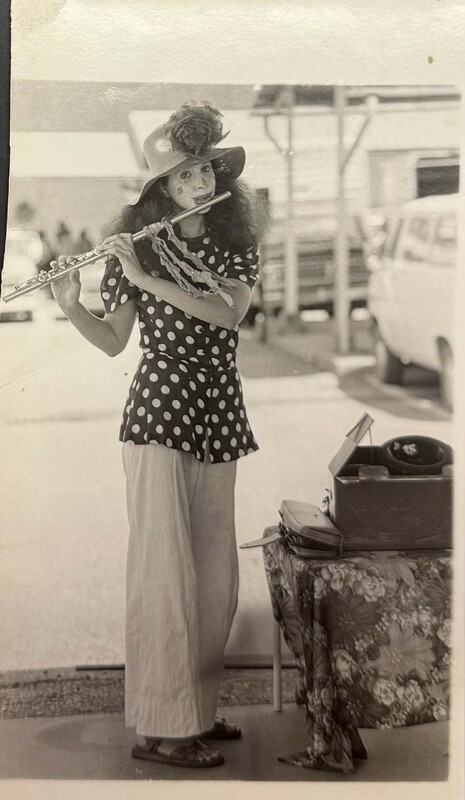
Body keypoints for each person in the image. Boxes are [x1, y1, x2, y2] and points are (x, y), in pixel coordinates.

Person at [50, 102, 266, 769]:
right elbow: (114, 342)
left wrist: (146, 278)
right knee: (163, 573)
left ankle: (190, 711)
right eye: (184, 176)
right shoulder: (136, 247)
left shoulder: (235, 242)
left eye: (206, 170)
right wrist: (72, 305)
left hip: (217, 409)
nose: (199, 183)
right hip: (158, 412)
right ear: (160, 189)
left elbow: (227, 314)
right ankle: (163, 730)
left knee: (213, 573)